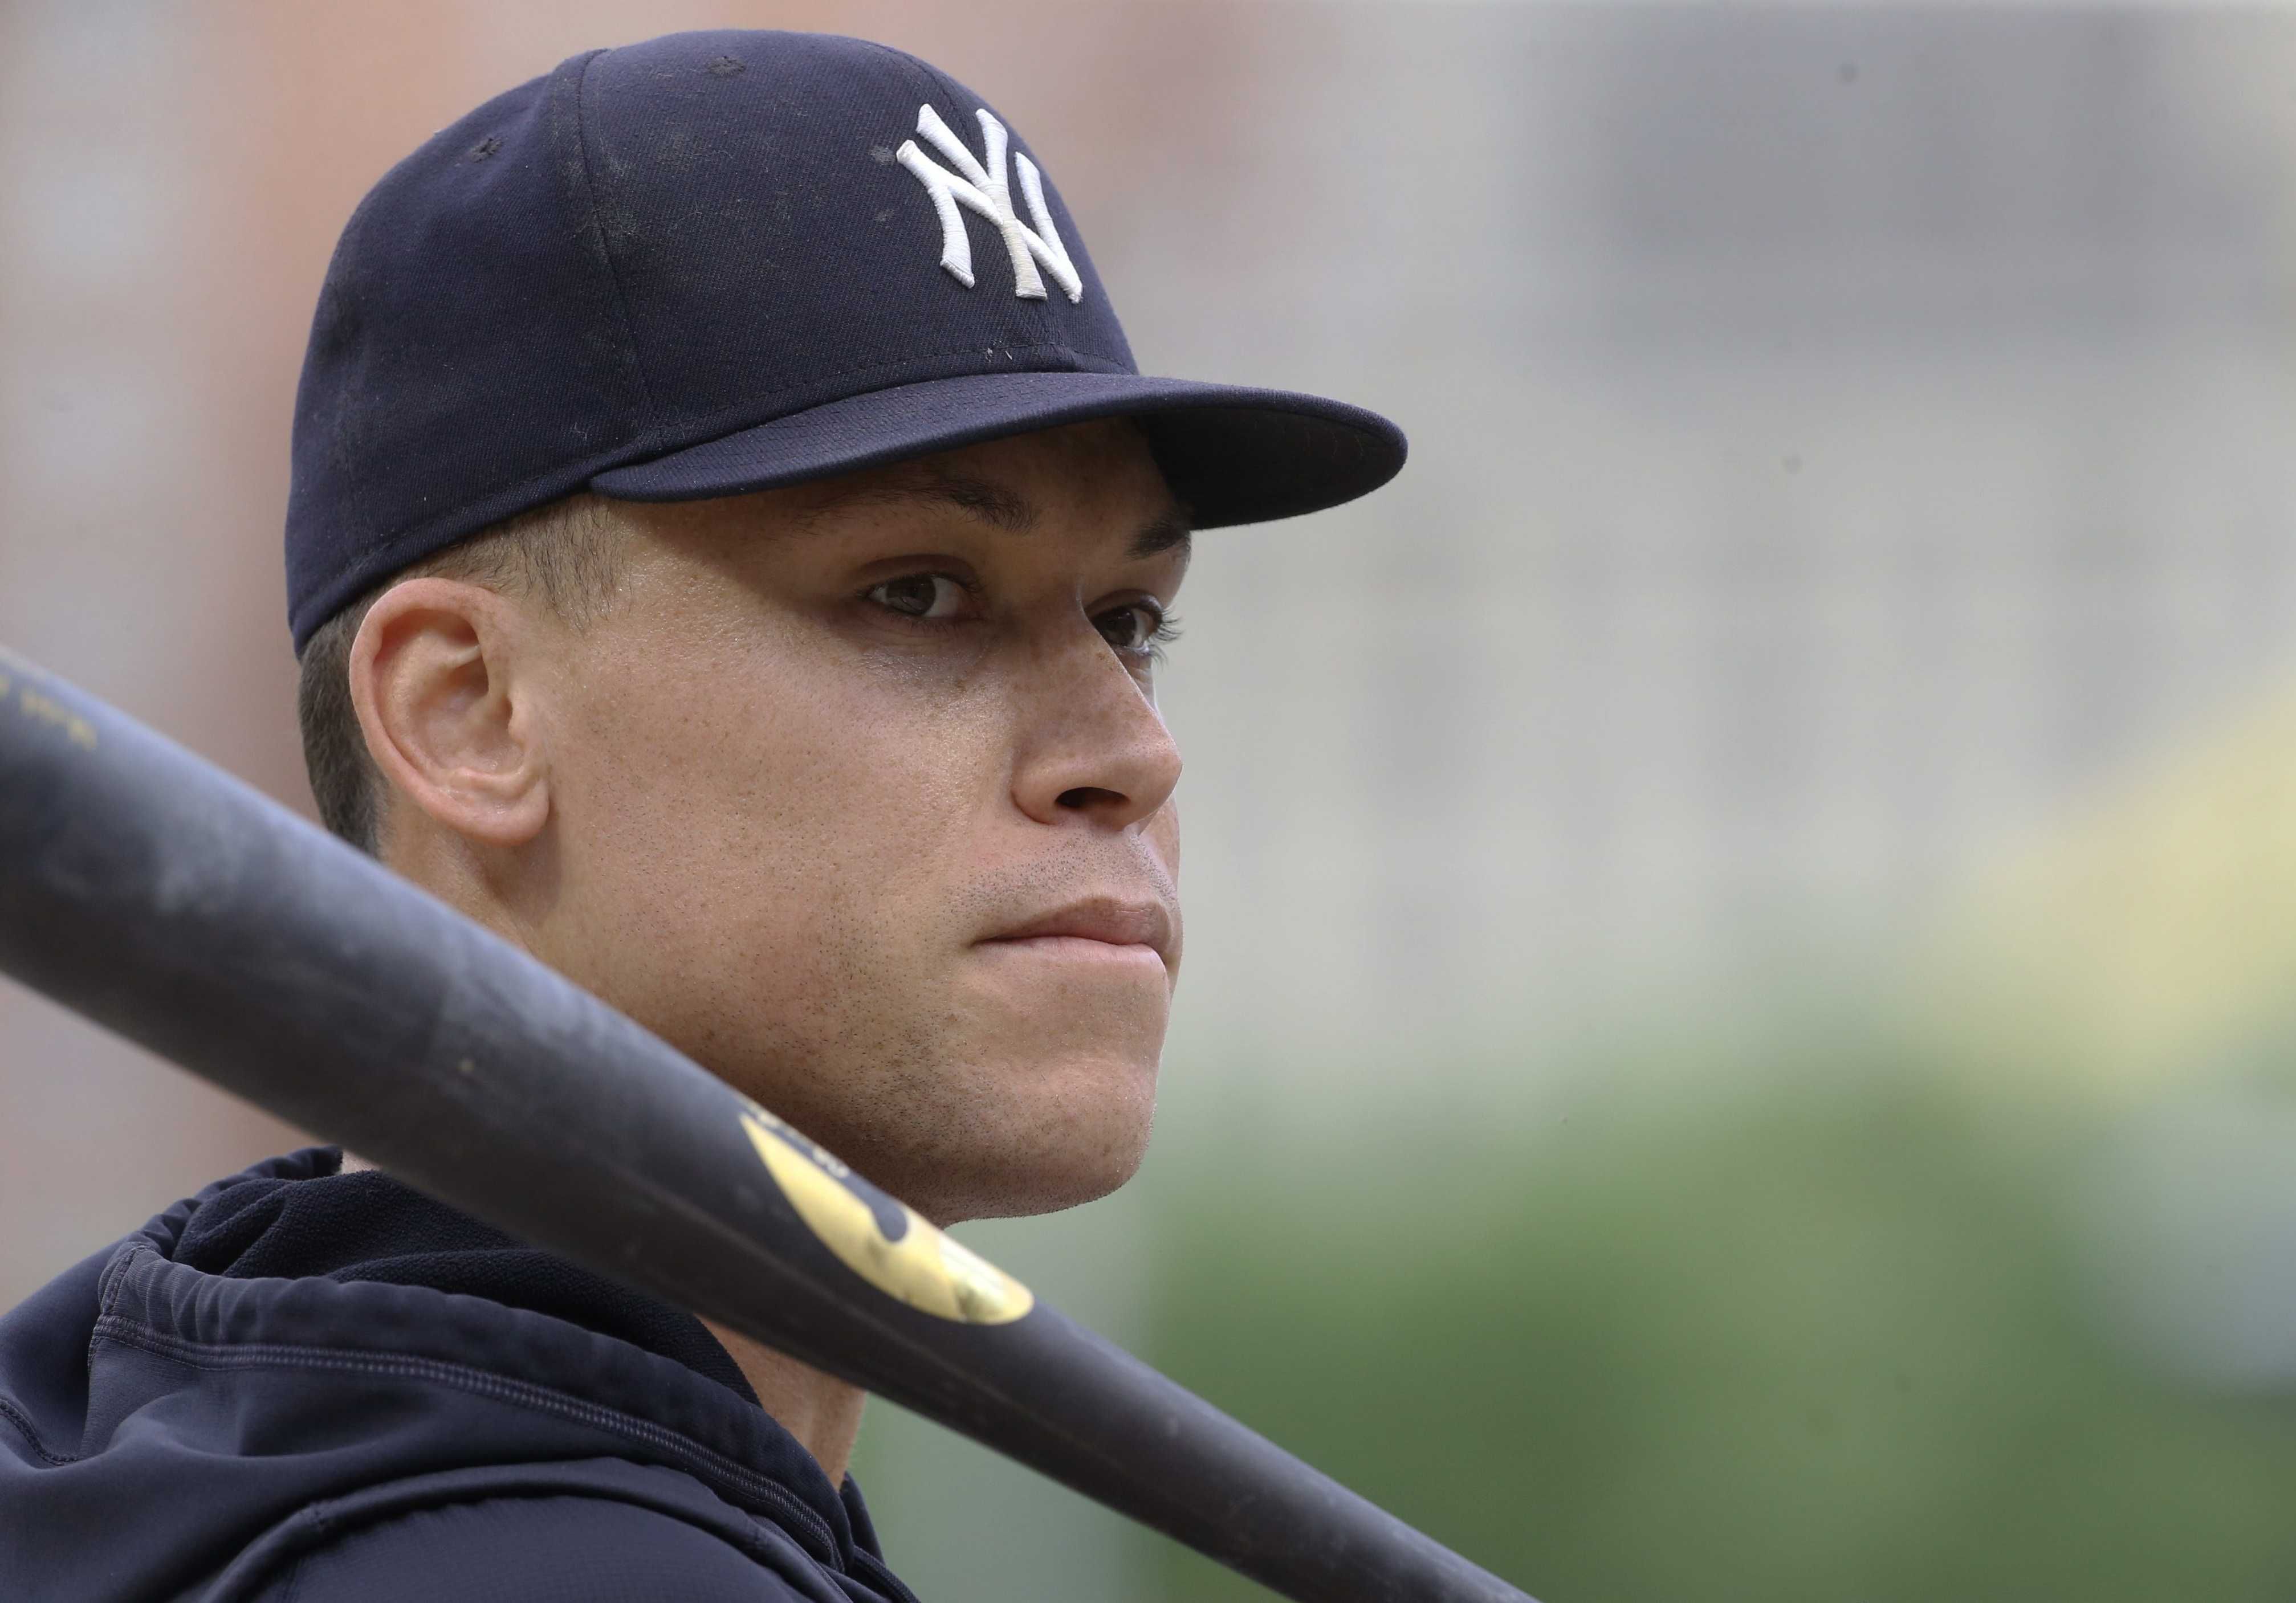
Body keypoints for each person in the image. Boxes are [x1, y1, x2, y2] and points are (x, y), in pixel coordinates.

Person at [0, 28, 1401, 1602]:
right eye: (920, 592)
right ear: (468, 712)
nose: (1130, 752)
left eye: (1133, 622)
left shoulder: (199, 1463)